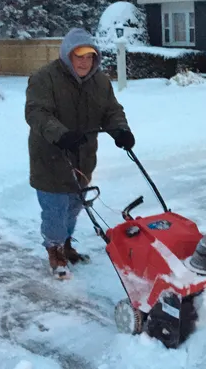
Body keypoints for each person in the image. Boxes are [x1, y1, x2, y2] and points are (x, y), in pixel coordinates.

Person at [24, 28, 136, 280]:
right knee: (55, 209)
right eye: (79, 56)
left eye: (90, 56)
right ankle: (55, 251)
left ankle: (66, 244)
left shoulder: (100, 81)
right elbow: (36, 113)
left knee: (75, 206)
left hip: (83, 158)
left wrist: (120, 129)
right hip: (51, 158)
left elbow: (111, 110)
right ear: (67, 55)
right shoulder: (45, 78)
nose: (85, 61)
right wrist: (61, 134)